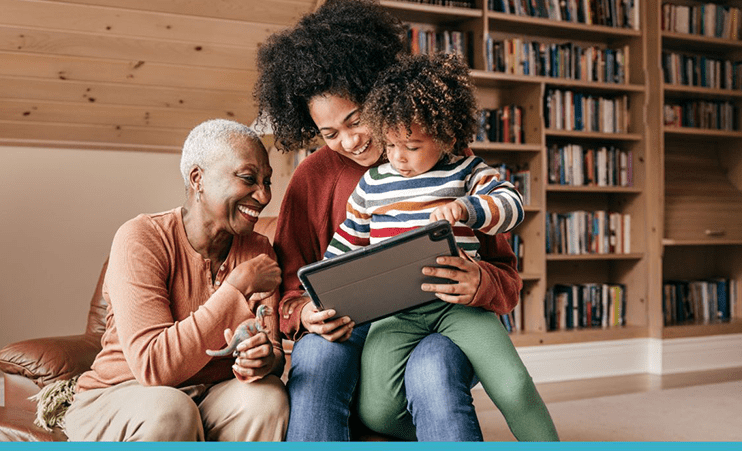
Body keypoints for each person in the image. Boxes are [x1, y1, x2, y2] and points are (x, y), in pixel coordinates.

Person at [255, 0, 523, 441]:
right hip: (350, 330)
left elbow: (505, 274)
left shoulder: (446, 160)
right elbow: (287, 288)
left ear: (377, 93)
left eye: (355, 119)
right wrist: (305, 314)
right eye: (329, 133)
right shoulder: (311, 178)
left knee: (433, 366)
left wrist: (480, 282)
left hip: (443, 320)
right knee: (317, 359)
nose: (350, 140)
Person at [323, 53, 559, 441]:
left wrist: (469, 208)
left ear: (447, 136)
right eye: (391, 143)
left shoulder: (466, 171)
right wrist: (326, 293)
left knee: (514, 386)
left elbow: (512, 206)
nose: (398, 157)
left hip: (459, 308)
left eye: (412, 146)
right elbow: (346, 243)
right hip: (394, 314)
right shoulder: (371, 185)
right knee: (376, 411)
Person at [62, 119, 289, 441]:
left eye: (267, 181)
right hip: (122, 394)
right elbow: (154, 366)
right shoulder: (141, 238)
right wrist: (235, 289)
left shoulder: (258, 249)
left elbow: (275, 351)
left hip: (210, 394)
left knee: (267, 397)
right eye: (249, 179)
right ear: (198, 178)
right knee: (171, 408)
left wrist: (264, 359)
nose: (264, 195)